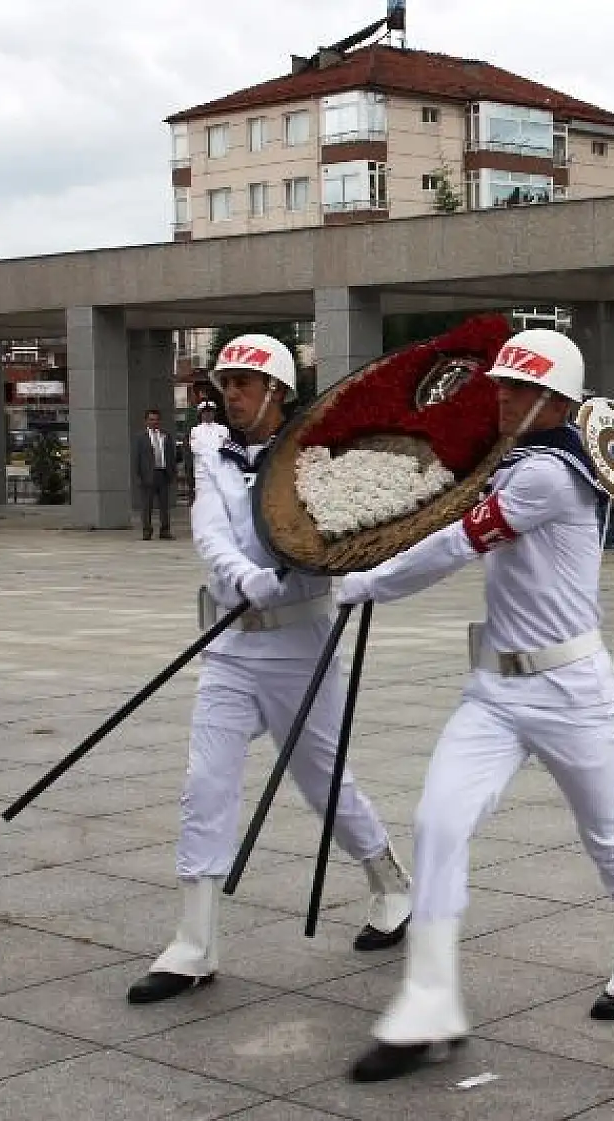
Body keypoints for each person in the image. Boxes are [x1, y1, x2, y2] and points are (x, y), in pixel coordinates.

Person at [335, 329, 614, 1082]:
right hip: (494, 687)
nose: (501, 395)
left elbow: (458, 543)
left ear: (555, 402)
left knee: (607, 828)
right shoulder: (513, 459)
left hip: (569, 687)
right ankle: (428, 1002)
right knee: (437, 821)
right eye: (501, 385)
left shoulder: (550, 475)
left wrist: (364, 581)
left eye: (517, 389)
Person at [126, 334, 412, 1005]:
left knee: (324, 785)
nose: (233, 393)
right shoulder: (210, 451)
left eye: (246, 383)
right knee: (205, 782)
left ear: (277, 392)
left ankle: (390, 883)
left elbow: (336, 538)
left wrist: (302, 575)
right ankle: (193, 944)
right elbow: (209, 529)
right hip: (230, 647)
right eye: (227, 382)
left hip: (299, 646)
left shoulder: (316, 457)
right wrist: (246, 578)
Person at [134, 408, 179, 540]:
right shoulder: (140, 437)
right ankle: (147, 531)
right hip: (148, 474)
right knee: (147, 505)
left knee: (164, 505)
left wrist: (172, 472)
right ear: (146, 421)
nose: (154, 422)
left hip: (163, 473)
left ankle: (165, 530)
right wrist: (140, 476)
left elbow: (171, 455)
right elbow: (137, 458)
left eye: (156, 419)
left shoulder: (165, 435)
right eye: (151, 419)